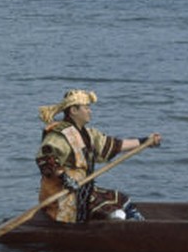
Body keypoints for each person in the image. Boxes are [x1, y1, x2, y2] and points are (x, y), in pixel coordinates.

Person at [35, 89, 161, 223]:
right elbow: (45, 159)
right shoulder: (59, 135)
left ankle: (138, 226)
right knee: (115, 212)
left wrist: (144, 142)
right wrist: (65, 178)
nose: (90, 111)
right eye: (86, 107)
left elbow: (114, 145)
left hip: (84, 190)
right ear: (73, 110)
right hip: (63, 195)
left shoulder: (89, 134)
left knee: (123, 200)